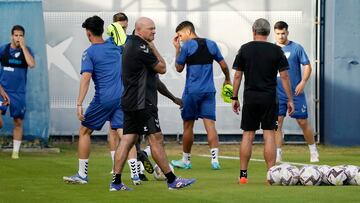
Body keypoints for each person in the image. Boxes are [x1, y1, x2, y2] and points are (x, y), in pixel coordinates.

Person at [110, 17, 195, 191]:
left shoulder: (130, 44)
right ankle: (172, 180)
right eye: (151, 29)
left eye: (155, 28)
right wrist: (153, 46)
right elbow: (163, 68)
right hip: (143, 103)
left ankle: (116, 183)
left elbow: (154, 81)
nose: (154, 32)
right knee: (156, 139)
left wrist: (172, 98)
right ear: (139, 30)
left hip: (130, 101)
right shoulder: (141, 47)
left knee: (127, 140)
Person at [231, 18, 294, 184]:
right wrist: (290, 99)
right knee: (269, 135)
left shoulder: (244, 49)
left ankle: (243, 175)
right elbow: (285, 76)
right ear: (268, 33)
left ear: (253, 31)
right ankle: (270, 176)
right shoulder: (276, 50)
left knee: (248, 135)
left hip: (250, 98)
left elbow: (238, 75)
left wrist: (234, 97)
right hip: (269, 98)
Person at [63, 15, 123, 184]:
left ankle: (82, 175)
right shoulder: (115, 45)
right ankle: (132, 172)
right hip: (121, 97)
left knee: (84, 131)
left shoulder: (89, 52)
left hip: (104, 99)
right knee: (124, 135)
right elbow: (119, 29)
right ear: (102, 30)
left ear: (88, 33)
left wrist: (79, 103)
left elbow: (86, 78)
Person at [171, 21, 231, 170]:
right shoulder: (211, 44)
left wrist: (177, 49)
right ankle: (215, 161)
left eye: (180, 35)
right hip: (209, 91)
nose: (180, 38)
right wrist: (227, 79)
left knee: (188, 126)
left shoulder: (186, 47)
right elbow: (223, 65)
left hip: (192, 92)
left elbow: (178, 68)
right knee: (210, 126)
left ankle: (186, 160)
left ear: (188, 32)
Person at [273, 21, 320, 163]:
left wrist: (303, 82)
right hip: (277, 93)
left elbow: (307, 66)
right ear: (274, 34)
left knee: (302, 121)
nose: (281, 36)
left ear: (287, 32)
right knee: (277, 123)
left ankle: (313, 151)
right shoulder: (271, 49)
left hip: (295, 92)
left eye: (283, 33)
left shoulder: (297, 48)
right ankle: (278, 153)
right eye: (278, 34)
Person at [0, 25, 36, 159]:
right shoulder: (3, 50)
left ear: (23, 37)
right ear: (11, 36)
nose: (18, 38)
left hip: (18, 93)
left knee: (18, 122)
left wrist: (23, 48)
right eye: (16, 35)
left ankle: (15, 152)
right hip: (2, 90)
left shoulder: (27, 51)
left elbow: (32, 64)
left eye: (20, 35)